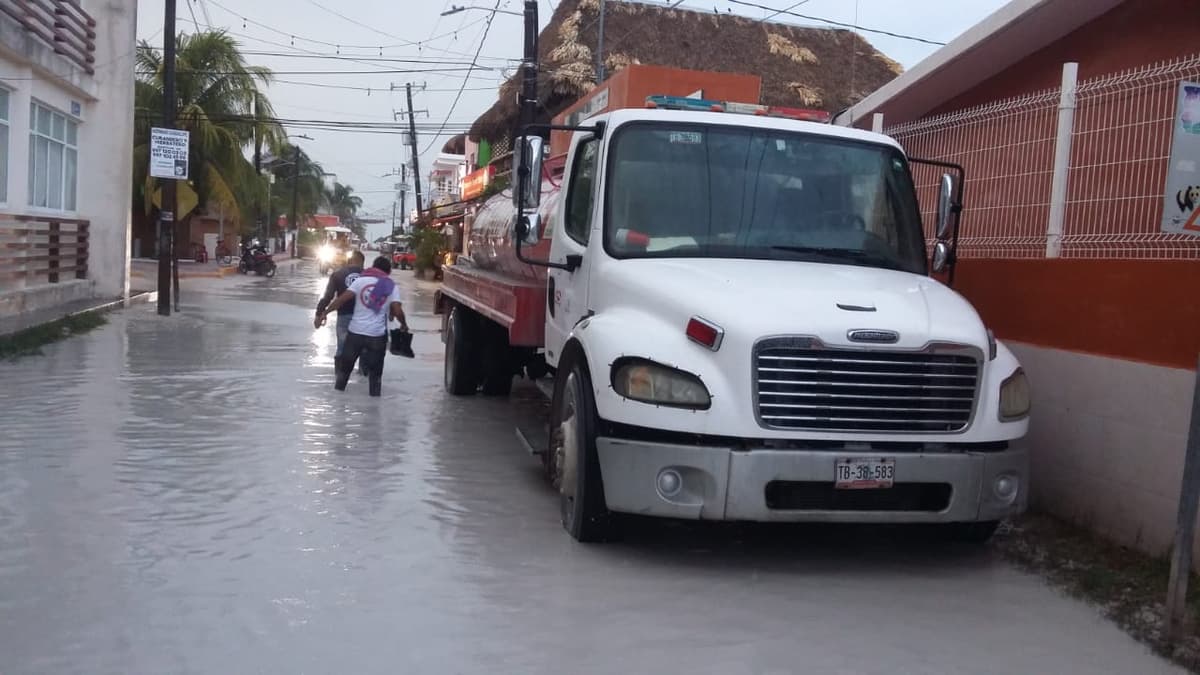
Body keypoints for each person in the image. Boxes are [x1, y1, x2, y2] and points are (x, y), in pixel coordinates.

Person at [319, 256, 408, 396]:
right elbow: (397, 310)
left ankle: (337, 406)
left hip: (355, 334)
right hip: (377, 337)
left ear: (373, 266)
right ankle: (373, 412)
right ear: (388, 271)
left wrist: (325, 312)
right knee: (375, 378)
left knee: (343, 376)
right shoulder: (389, 285)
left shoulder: (360, 281)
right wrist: (404, 324)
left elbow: (341, 300)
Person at [314, 249, 366, 359]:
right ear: (362, 262)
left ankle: (340, 373)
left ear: (349, 261)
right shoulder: (368, 276)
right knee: (364, 351)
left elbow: (328, 297)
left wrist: (320, 314)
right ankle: (363, 374)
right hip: (364, 319)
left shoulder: (338, 274)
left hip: (344, 315)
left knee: (342, 348)